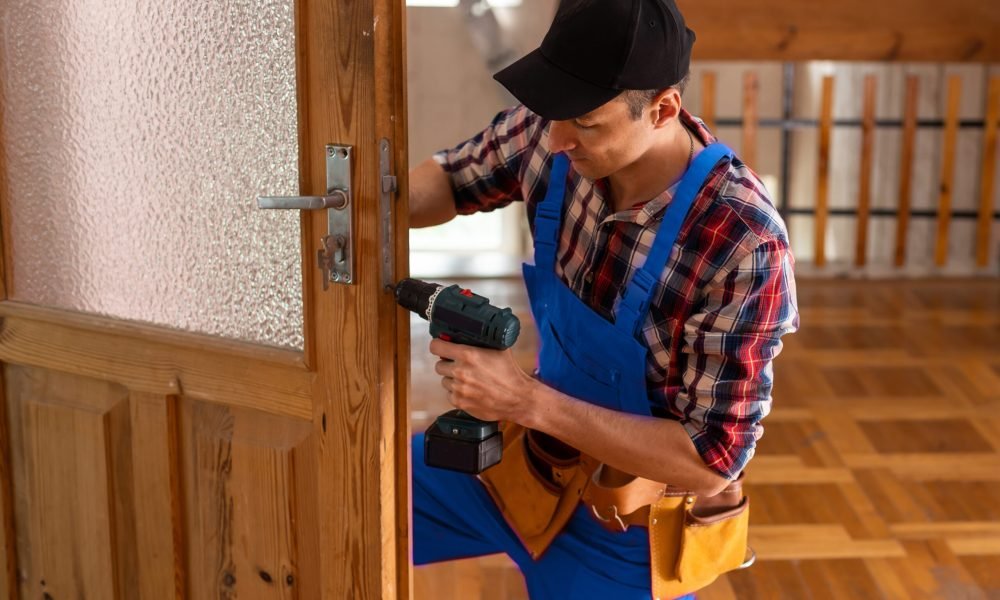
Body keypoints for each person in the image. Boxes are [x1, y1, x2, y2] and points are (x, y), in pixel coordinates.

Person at [407, 0, 799, 597]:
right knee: (348, 495)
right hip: (525, 460)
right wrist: (357, 208)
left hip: (630, 522)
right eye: (552, 112)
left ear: (663, 108)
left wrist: (521, 399)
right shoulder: (555, 128)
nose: (557, 138)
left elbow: (709, 460)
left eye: (586, 123)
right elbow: (455, 177)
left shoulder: (741, 239)